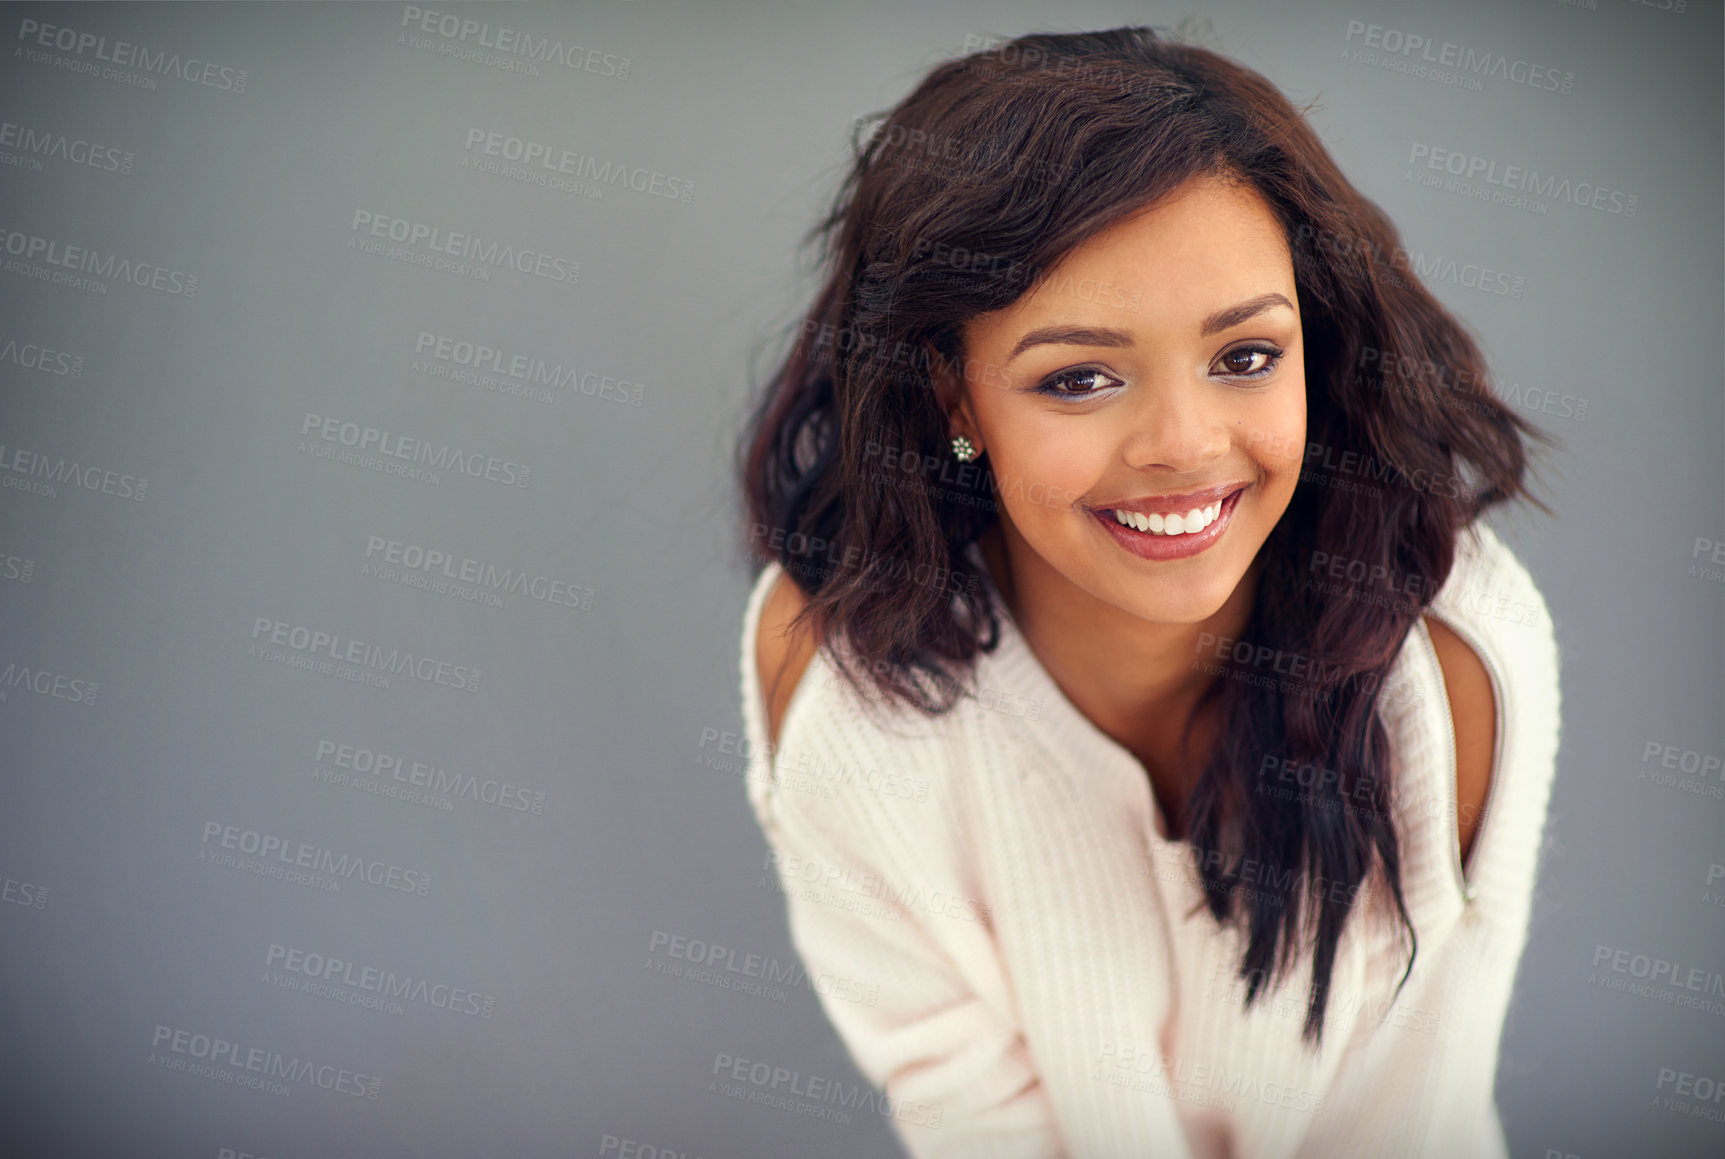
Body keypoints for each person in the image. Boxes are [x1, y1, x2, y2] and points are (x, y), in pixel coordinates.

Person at [734, 26, 1562, 1159]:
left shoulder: (1451, 663)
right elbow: (971, 1118)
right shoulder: (840, 671)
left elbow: (1408, 1124)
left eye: (1246, 357)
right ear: (955, 400)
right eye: (1080, 378)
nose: (1182, 444)